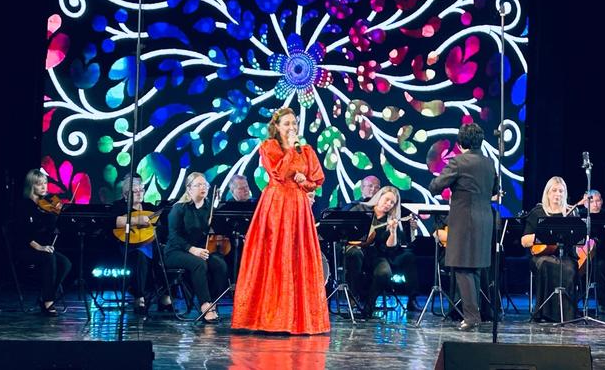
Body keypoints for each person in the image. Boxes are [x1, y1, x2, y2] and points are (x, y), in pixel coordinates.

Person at [231, 107, 330, 334]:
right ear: (276, 126)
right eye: (286, 124)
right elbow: (279, 173)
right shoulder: (269, 147)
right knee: (275, 254)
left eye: (294, 123)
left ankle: (298, 319)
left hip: (299, 206)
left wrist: (304, 181)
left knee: (297, 256)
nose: (292, 127)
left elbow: (316, 180)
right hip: (276, 205)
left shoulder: (306, 150)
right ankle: (270, 318)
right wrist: (291, 150)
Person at [428, 123, 497, 331]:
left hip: (465, 220)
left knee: (462, 267)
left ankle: (471, 317)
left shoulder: (458, 162)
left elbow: (436, 186)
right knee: (474, 267)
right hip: (485, 219)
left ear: (460, 143)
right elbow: (495, 189)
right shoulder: (489, 162)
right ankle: (473, 314)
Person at [345, 186, 420, 318]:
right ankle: (353, 297)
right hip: (356, 251)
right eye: (387, 200)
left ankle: (369, 305)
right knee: (355, 254)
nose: (388, 204)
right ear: (379, 197)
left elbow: (390, 248)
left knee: (384, 273)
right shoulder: (360, 209)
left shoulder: (390, 220)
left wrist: (393, 232)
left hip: (376, 255)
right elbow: (345, 230)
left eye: (392, 203)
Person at [164, 171, 229, 323]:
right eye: (198, 185)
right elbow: (173, 236)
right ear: (189, 188)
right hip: (176, 251)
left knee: (219, 264)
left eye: (205, 185)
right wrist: (191, 249)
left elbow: (216, 229)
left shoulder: (208, 208)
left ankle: (213, 302)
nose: (203, 187)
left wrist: (218, 212)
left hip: (199, 251)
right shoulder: (179, 208)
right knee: (199, 264)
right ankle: (205, 305)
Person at [521, 176, 579, 322]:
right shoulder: (537, 212)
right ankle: (544, 312)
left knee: (568, 268)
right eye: (554, 190)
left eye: (561, 191)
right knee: (545, 263)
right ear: (547, 193)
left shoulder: (571, 212)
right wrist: (542, 235)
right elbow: (524, 241)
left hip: (566, 256)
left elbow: (578, 240)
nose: (557, 194)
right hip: (541, 256)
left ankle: (565, 314)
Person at [112, 174, 171, 314]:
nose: (140, 193)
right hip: (129, 247)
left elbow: (161, 225)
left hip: (152, 244)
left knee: (168, 254)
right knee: (140, 256)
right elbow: (114, 221)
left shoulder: (149, 207)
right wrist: (136, 220)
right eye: (135, 191)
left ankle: (165, 296)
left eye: (141, 190)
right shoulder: (119, 206)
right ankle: (139, 298)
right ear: (126, 195)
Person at [17, 169, 71, 316]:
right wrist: (40, 247)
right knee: (49, 258)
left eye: (45, 183)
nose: (43, 187)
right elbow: (23, 234)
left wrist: (59, 214)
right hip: (27, 249)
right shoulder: (24, 206)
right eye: (39, 184)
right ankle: (48, 301)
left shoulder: (49, 202)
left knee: (65, 263)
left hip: (44, 249)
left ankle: (45, 295)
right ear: (31, 186)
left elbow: (53, 227)